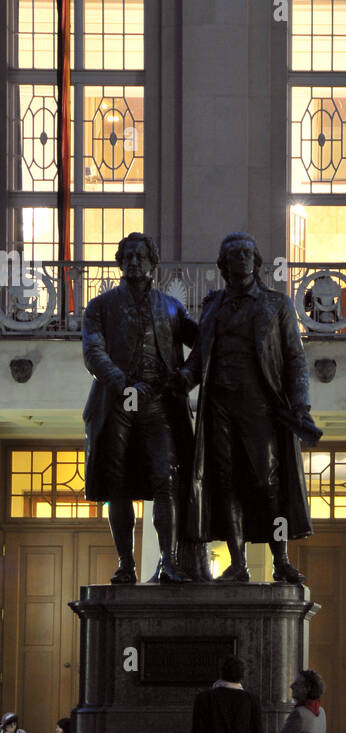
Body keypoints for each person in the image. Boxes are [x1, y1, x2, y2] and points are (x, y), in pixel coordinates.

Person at [177, 232, 321, 585]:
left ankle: (281, 560)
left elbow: (295, 360)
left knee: (267, 482)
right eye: (233, 254)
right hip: (218, 406)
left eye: (247, 253)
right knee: (225, 484)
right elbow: (198, 361)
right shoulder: (212, 306)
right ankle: (237, 562)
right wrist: (173, 382)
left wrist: (300, 404)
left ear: (256, 263)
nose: (241, 258)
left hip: (260, 406)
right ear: (223, 265)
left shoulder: (277, 304)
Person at [81, 232, 197, 584]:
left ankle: (169, 562)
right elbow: (93, 353)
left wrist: (187, 376)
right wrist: (124, 383)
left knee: (167, 479)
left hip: (159, 403)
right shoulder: (100, 307)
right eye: (127, 256)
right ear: (120, 262)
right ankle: (125, 564)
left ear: (152, 263)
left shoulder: (172, 308)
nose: (133, 262)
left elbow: (207, 344)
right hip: (116, 402)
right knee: (117, 485)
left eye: (140, 256)